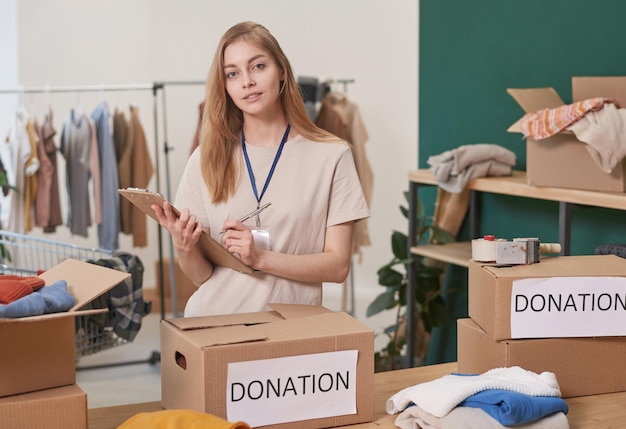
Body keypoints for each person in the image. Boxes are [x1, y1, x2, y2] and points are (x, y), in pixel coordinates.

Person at [152, 21, 369, 317]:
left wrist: (260, 258)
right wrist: (184, 246)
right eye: (232, 73)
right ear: (225, 86)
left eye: (257, 66)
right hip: (213, 326)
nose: (246, 82)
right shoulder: (206, 158)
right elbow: (201, 276)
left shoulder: (332, 156)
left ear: (281, 71)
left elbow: (338, 266)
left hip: (290, 332)